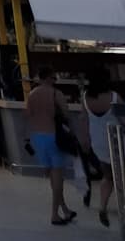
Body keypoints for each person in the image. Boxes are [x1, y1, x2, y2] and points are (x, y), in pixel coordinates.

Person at [25, 67, 76, 226]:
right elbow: (66, 114)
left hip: (38, 138)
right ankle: (54, 214)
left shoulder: (32, 94)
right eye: (54, 78)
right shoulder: (56, 94)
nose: (55, 80)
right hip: (54, 136)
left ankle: (65, 209)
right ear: (47, 78)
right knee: (58, 176)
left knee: (52, 177)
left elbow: (28, 116)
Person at [84, 66, 122, 228]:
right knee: (121, 176)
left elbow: (84, 120)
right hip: (117, 142)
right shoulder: (114, 96)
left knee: (107, 177)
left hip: (98, 143)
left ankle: (103, 207)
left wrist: (85, 141)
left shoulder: (85, 97)